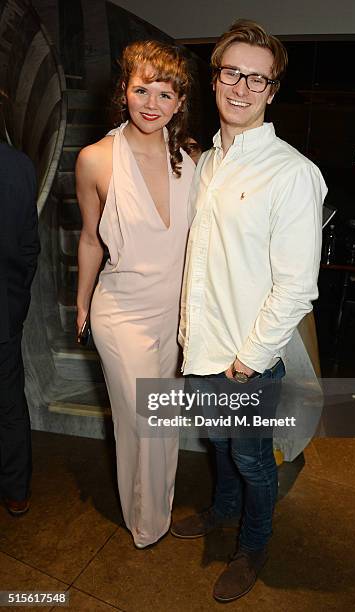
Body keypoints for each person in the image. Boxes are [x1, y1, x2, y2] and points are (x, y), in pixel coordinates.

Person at [172, 20, 327, 602]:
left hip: (246, 359)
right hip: (202, 346)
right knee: (216, 443)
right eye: (231, 72)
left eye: (256, 78)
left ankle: (253, 542)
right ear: (214, 78)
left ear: (273, 88)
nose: (241, 87)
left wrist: (249, 360)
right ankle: (221, 509)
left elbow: (295, 288)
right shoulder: (207, 162)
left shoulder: (292, 172)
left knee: (253, 458)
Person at [75, 40, 195, 549]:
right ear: (123, 90)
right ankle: (144, 522)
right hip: (121, 315)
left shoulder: (191, 159)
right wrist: (81, 303)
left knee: (165, 420)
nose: (152, 103)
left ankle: (159, 507)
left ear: (180, 103)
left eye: (165, 93)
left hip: (174, 316)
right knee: (142, 422)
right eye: (141, 88)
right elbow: (88, 238)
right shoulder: (95, 159)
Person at [0, 139, 39, 516]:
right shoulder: (20, 166)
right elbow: (30, 249)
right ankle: (16, 491)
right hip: (4, 312)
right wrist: (14, 305)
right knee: (9, 403)